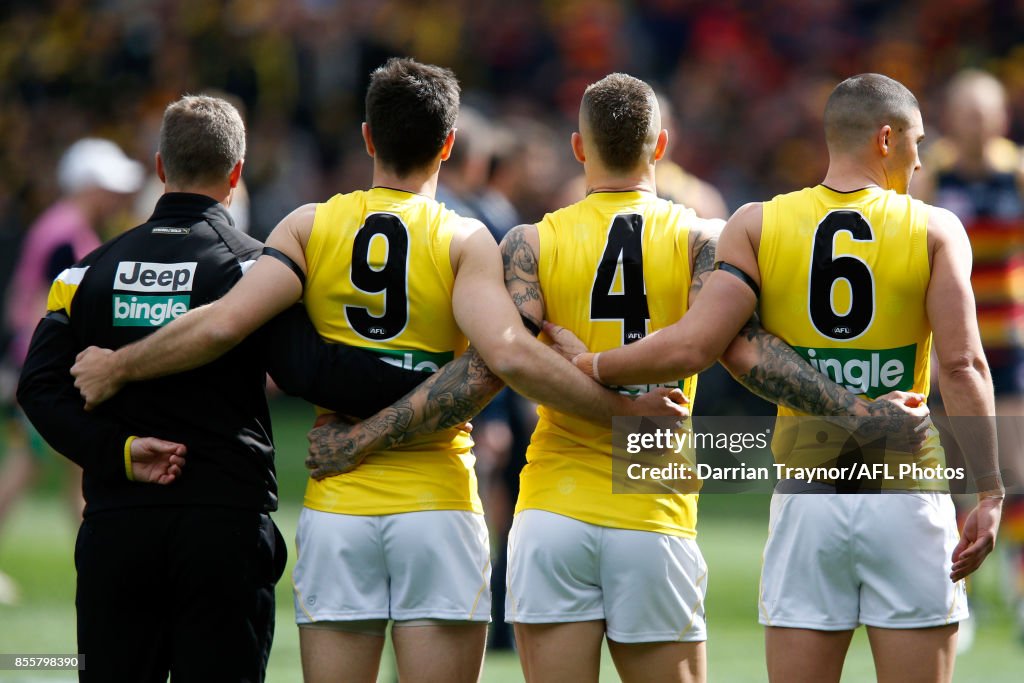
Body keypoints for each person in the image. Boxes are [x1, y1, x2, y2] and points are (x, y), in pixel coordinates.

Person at [68, 59, 685, 683]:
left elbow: (225, 323)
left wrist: (119, 365)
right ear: (448, 145)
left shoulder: (308, 225)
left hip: (339, 505)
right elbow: (508, 355)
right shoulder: (465, 240)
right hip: (437, 503)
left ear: (367, 137)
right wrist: (625, 413)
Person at [555, 73, 1004, 682]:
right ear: (885, 138)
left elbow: (703, 344)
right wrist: (988, 488)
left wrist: (594, 364)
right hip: (905, 485)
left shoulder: (758, 225)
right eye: (917, 142)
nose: (921, 160)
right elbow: (962, 365)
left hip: (809, 491)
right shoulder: (934, 229)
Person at [16, 94, 438, 683]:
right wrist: (433, 376)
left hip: (118, 526)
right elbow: (310, 373)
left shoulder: (86, 273)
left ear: (161, 167)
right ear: (236, 174)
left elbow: (39, 391)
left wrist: (117, 451)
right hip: (224, 526)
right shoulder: (251, 269)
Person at [0, 137, 144, 604]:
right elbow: (55, 309)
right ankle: (106, 568)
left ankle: (102, 565)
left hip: (41, 369)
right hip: (47, 372)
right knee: (34, 468)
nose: (116, 196)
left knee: (73, 470)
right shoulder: (66, 233)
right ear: (88, 184)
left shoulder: (65, 226)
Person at [913, 68, 1024, 638]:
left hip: (1007, 343)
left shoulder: (1017, 173)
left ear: (1000, 117)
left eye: (985, 111)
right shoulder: (934, 178)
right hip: (952, 342)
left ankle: (1019, 584)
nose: (976, 121)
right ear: (952, 118)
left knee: (1013, 468)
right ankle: (967, 590)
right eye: (966, 111)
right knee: (958, 470)